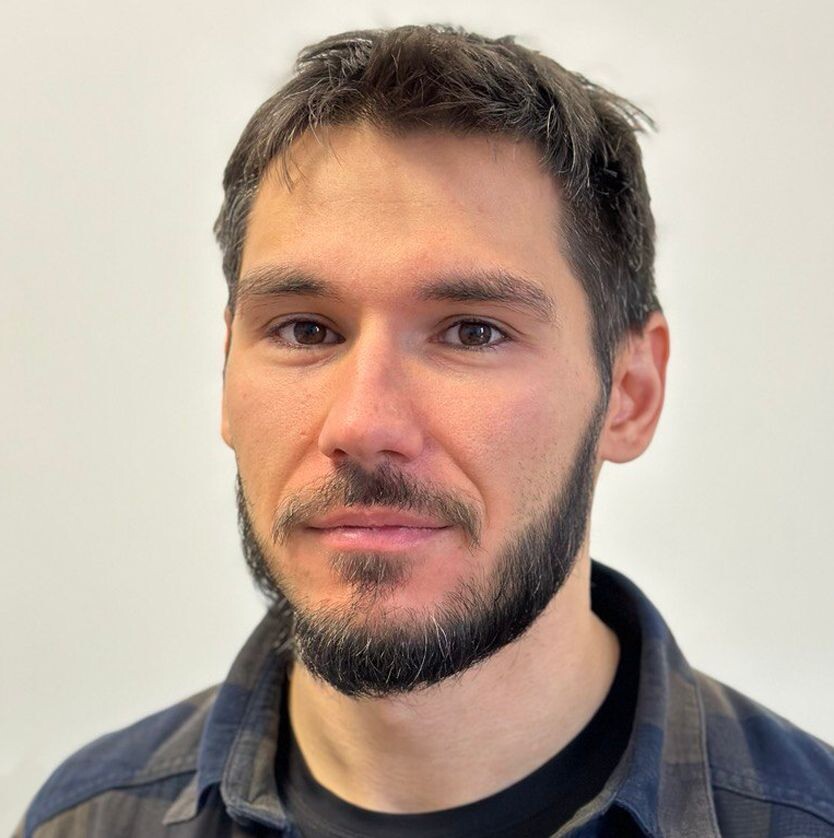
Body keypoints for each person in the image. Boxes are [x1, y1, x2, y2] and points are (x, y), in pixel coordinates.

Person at [16, 24, 834, 838]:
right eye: (305, 330)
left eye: (473, 332)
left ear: (629, 391)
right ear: (227, 374)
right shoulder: (90, 822)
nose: (363, 424)